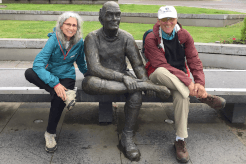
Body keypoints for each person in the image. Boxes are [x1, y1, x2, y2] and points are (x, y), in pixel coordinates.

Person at [82, 1, 171, 161]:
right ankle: (139, 85)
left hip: (122, 79)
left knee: (136, 95)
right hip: (102, 79)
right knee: (89, 83)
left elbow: (137, 64)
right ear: (101, 16)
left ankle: (127, 137)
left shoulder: (126, 37)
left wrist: (143, 78)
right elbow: (95, 68)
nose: (114, 18)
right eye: (110, 15)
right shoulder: (92, 38)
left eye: (118, 15)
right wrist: (132, 81)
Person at [144, 6, 226, 163]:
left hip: (180, 81)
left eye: (171, 19)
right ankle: (202, 97)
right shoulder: (151, 38)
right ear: (158, 21)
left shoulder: (184, 35)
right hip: (159, 76)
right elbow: (162, 65)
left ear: (176, 19)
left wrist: (199, 83)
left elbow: (194, 59)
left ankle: (180, 140)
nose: (168, 23)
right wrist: (189, 83)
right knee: (161, 71)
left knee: (182, 97)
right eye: (164, 19)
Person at [25, 12, 87, 153]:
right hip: (51, 75)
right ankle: (64, 93)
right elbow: (38, 64)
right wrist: (55, 84)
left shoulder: (79, 42)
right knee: (28, 73)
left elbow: (81, 63)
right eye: (68, 24)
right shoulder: (53, 40)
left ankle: (50, 134)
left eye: (74, 25)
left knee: (59, 97)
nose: (71, 28)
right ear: (61, 25)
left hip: (67, 77)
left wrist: (89, 74)